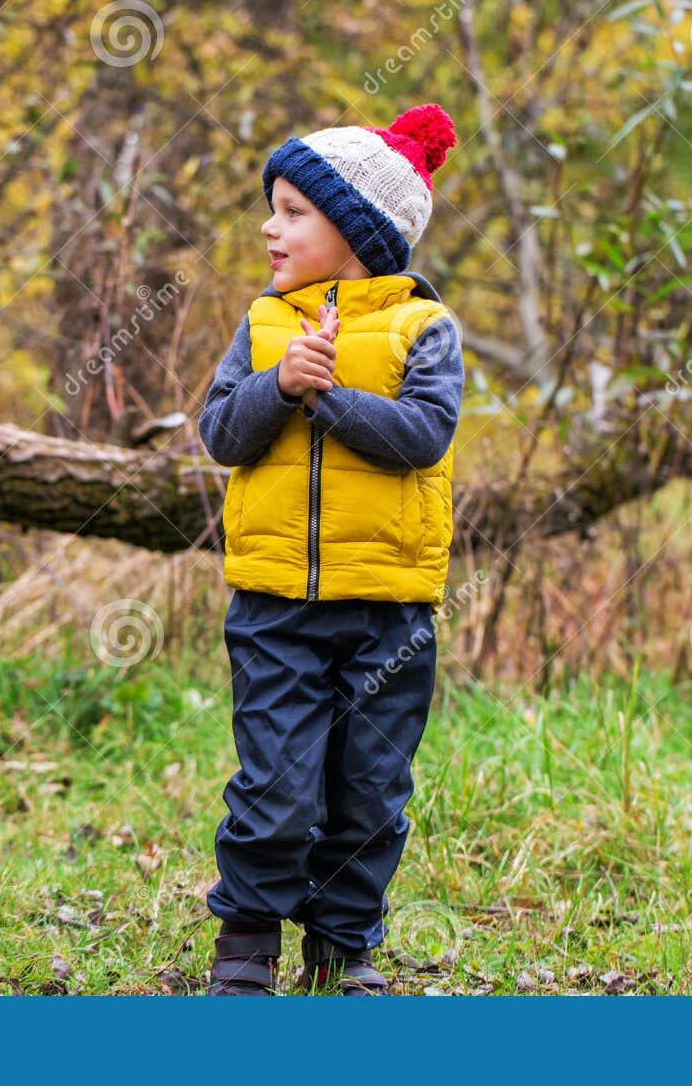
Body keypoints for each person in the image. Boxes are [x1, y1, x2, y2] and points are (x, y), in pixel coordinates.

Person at [195, 103, 464, 995]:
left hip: (390, 607)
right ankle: (245, 948)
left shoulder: (425, 330)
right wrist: (280, 383)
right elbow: (221, 432)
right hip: (275, 604)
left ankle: (344, 950)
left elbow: (425, 433)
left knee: (368, 789)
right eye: (271, 208)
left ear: (356, 229)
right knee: (275, 781)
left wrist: (330, 396)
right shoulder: (265, 325)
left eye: (292, 210)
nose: (270, 228)